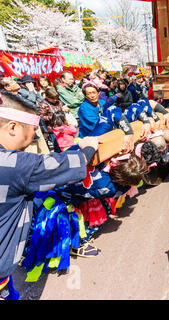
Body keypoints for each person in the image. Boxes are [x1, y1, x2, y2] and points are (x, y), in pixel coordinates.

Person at [0, 92, 99, 300]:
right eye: (33, 132)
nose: (32, 140)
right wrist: (89, 146)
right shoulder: (13, 165)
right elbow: (69, 164)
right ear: (12, 127)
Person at [77, 84, 134, 153]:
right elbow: (95, 125)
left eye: (94, 92)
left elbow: (113, 113)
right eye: (89, 94)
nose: (92, 96)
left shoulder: (103, 102)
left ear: (98, 93)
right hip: (90, 136)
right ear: (86, 96)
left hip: (105, 132)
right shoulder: (84, 108)